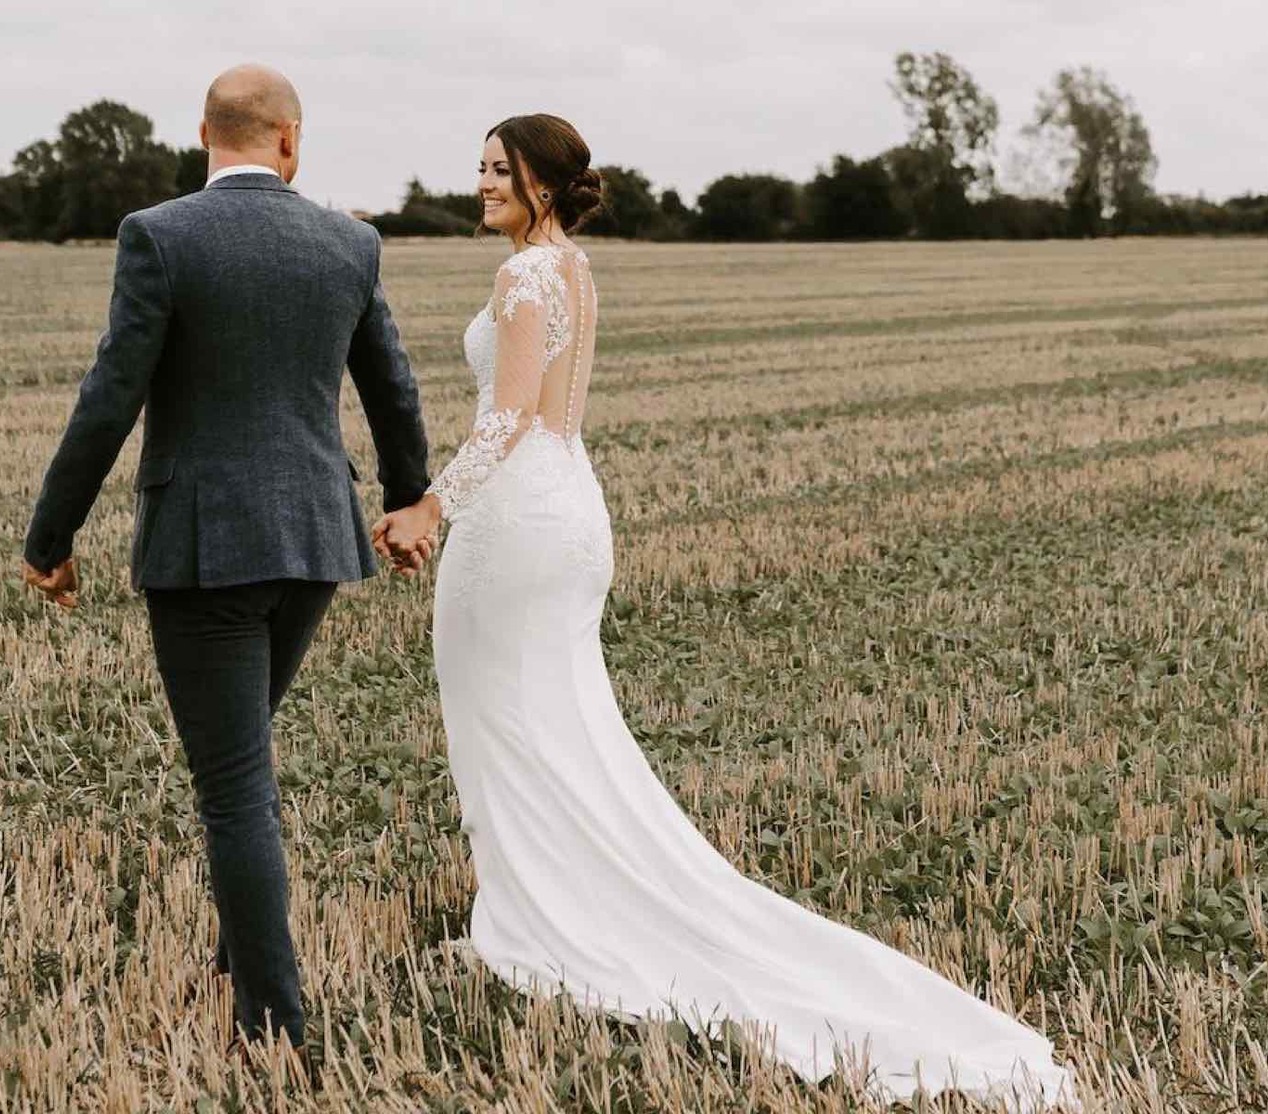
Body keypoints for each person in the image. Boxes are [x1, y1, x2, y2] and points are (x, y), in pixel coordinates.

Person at [370, 114, 1079, 1110]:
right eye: (479, 165)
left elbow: (508, 413)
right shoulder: (570, 266)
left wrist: (433, 506)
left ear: (542, 183)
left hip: (516, 518)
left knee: (511, 719)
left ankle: (536, 923)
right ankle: (536, 899)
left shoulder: (526, 276)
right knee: (556, 718)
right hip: (568, 506)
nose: (482, 181)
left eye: (500, 169)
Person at [19, 63, 432, 1052]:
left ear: (205, 132)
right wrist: (405, 494)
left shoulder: (160, 236)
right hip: (315, 545)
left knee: (235, 784)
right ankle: (237, 968)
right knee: (240, 764)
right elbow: (392, 387)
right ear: (290, 140)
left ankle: (272, 1026)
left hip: (206, 549)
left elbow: (109, 397)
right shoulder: (349, 242)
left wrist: (50, 536)